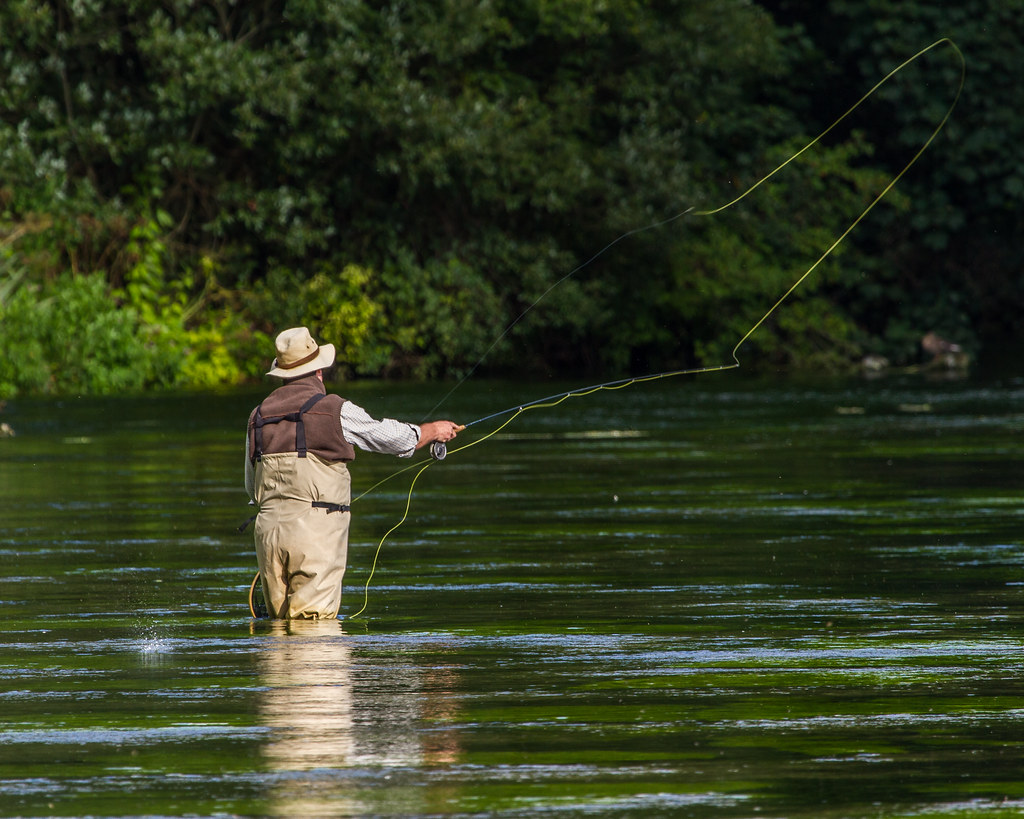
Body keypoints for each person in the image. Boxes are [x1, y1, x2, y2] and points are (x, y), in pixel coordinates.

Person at [245, 327, 461, 619]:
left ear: (281, 374)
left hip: (268, 535)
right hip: (315, 537)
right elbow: (389, 438)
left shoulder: (257, 417)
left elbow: (251, 487)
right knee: (314, 629)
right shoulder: (334, 409)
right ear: (318, 371)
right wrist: (432, 431)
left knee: (278, 630)